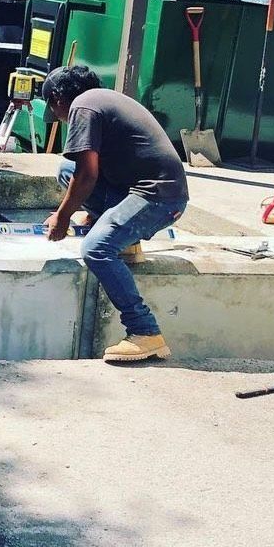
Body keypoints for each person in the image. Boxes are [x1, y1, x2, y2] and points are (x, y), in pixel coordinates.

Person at [41, 65, 189, 363]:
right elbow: (85, 171)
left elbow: (87, 176)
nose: (59, 118)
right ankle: (126, 241)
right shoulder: (101, 99)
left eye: (54, 111)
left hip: (159, 198)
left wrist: (62, 217)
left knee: (95, 248)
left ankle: (145, 331)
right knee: (66, 168)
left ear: (57, 98)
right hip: (149, 189)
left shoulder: (83, 107)